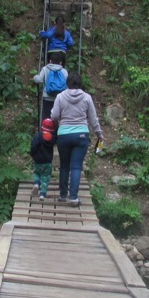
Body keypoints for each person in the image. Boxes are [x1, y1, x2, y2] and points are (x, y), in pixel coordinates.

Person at [50, 72, 104, 206]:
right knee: (76, 167)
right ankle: (73, 197)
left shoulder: (60, 97)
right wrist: (99, 134)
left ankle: (63, 195)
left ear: (67, 83)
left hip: (63, 135)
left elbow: (54, 115)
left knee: (64, 166)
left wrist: (59, 119)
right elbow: (93, 118)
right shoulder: (87, 97)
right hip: (81, 135)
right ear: (80, 83)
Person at [32, 52, 69, 121]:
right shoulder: (64, 71)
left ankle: (47, 130)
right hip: (60, 98)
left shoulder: (45, 68)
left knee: (47, 117)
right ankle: (57, 130)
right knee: (59, 117)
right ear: (61, 62)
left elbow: (39, 79)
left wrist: (35, 78)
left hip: (47, 97)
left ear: (50, 61)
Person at [29, 118, 57, 201]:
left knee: (37, 173)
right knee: (45, 177)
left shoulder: (38, 136)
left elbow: (33, 146)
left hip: (38, 161)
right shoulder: (52, 138)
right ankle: (42, 194)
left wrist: (32, 154)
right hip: (48, 162)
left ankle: (37, 183)